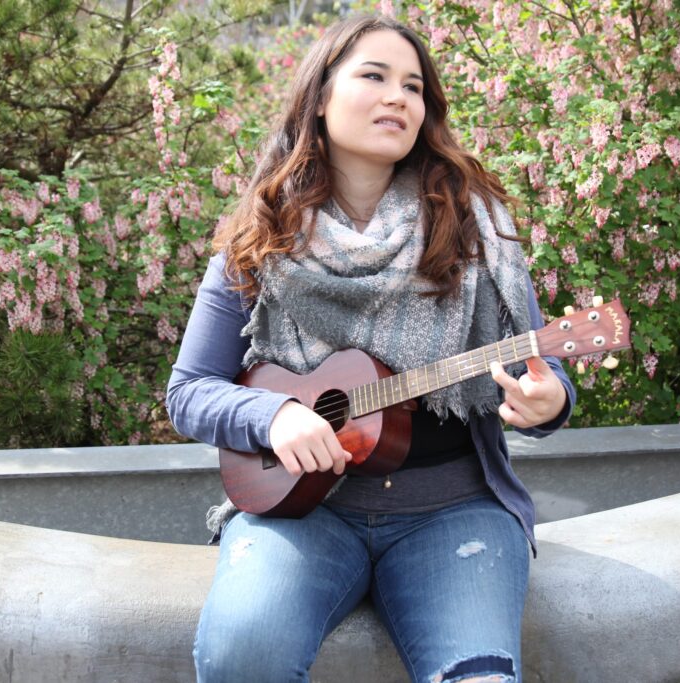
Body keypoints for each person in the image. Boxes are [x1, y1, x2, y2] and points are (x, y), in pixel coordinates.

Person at [166, 14, 575, 683]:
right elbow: (188, 393)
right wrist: (273, 416)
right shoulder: (259, 238)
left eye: (413, 86)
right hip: (304, 512)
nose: (398, 97)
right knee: (243, 653)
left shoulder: (477, 229)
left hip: (454, 512)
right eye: (374, 76)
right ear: (320, 98)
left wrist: (550, 397)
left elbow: (542, 368)